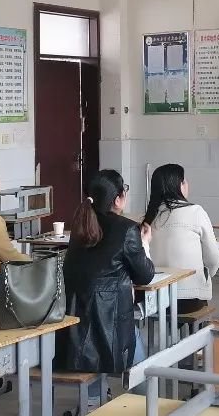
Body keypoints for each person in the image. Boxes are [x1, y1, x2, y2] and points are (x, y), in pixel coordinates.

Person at [58, 169, 155, 396]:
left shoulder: (81, 225)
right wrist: (145, 244)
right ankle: (145, 401)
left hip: (74, 321)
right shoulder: (127, 229)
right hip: (109, 323)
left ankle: (93, 400)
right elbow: (145, 276)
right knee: (138, 352)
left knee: (102, 349)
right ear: (118, 199)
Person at [142, 163, 219, 314]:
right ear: (179, 185)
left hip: (156, 298)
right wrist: (204, 277)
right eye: (184, 180)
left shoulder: (149, 218)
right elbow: (213, 259)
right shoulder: (196, 212)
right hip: (189, 299)